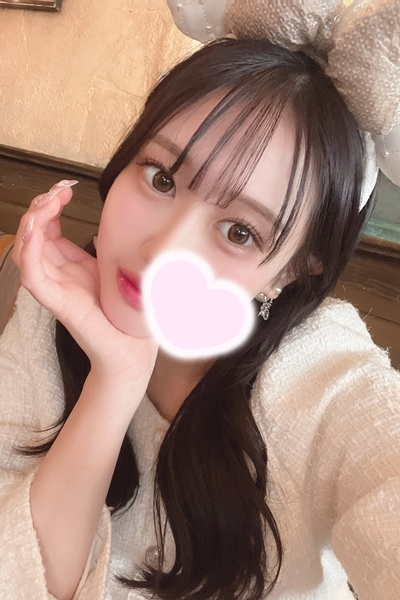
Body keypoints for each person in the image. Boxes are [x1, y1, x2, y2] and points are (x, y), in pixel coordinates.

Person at [1, 35, 400, 600]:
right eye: (161, 178)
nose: (164, 251)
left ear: (291, 270)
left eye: (239, 232)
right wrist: (115, 378)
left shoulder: (320, 375)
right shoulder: (56, 305)